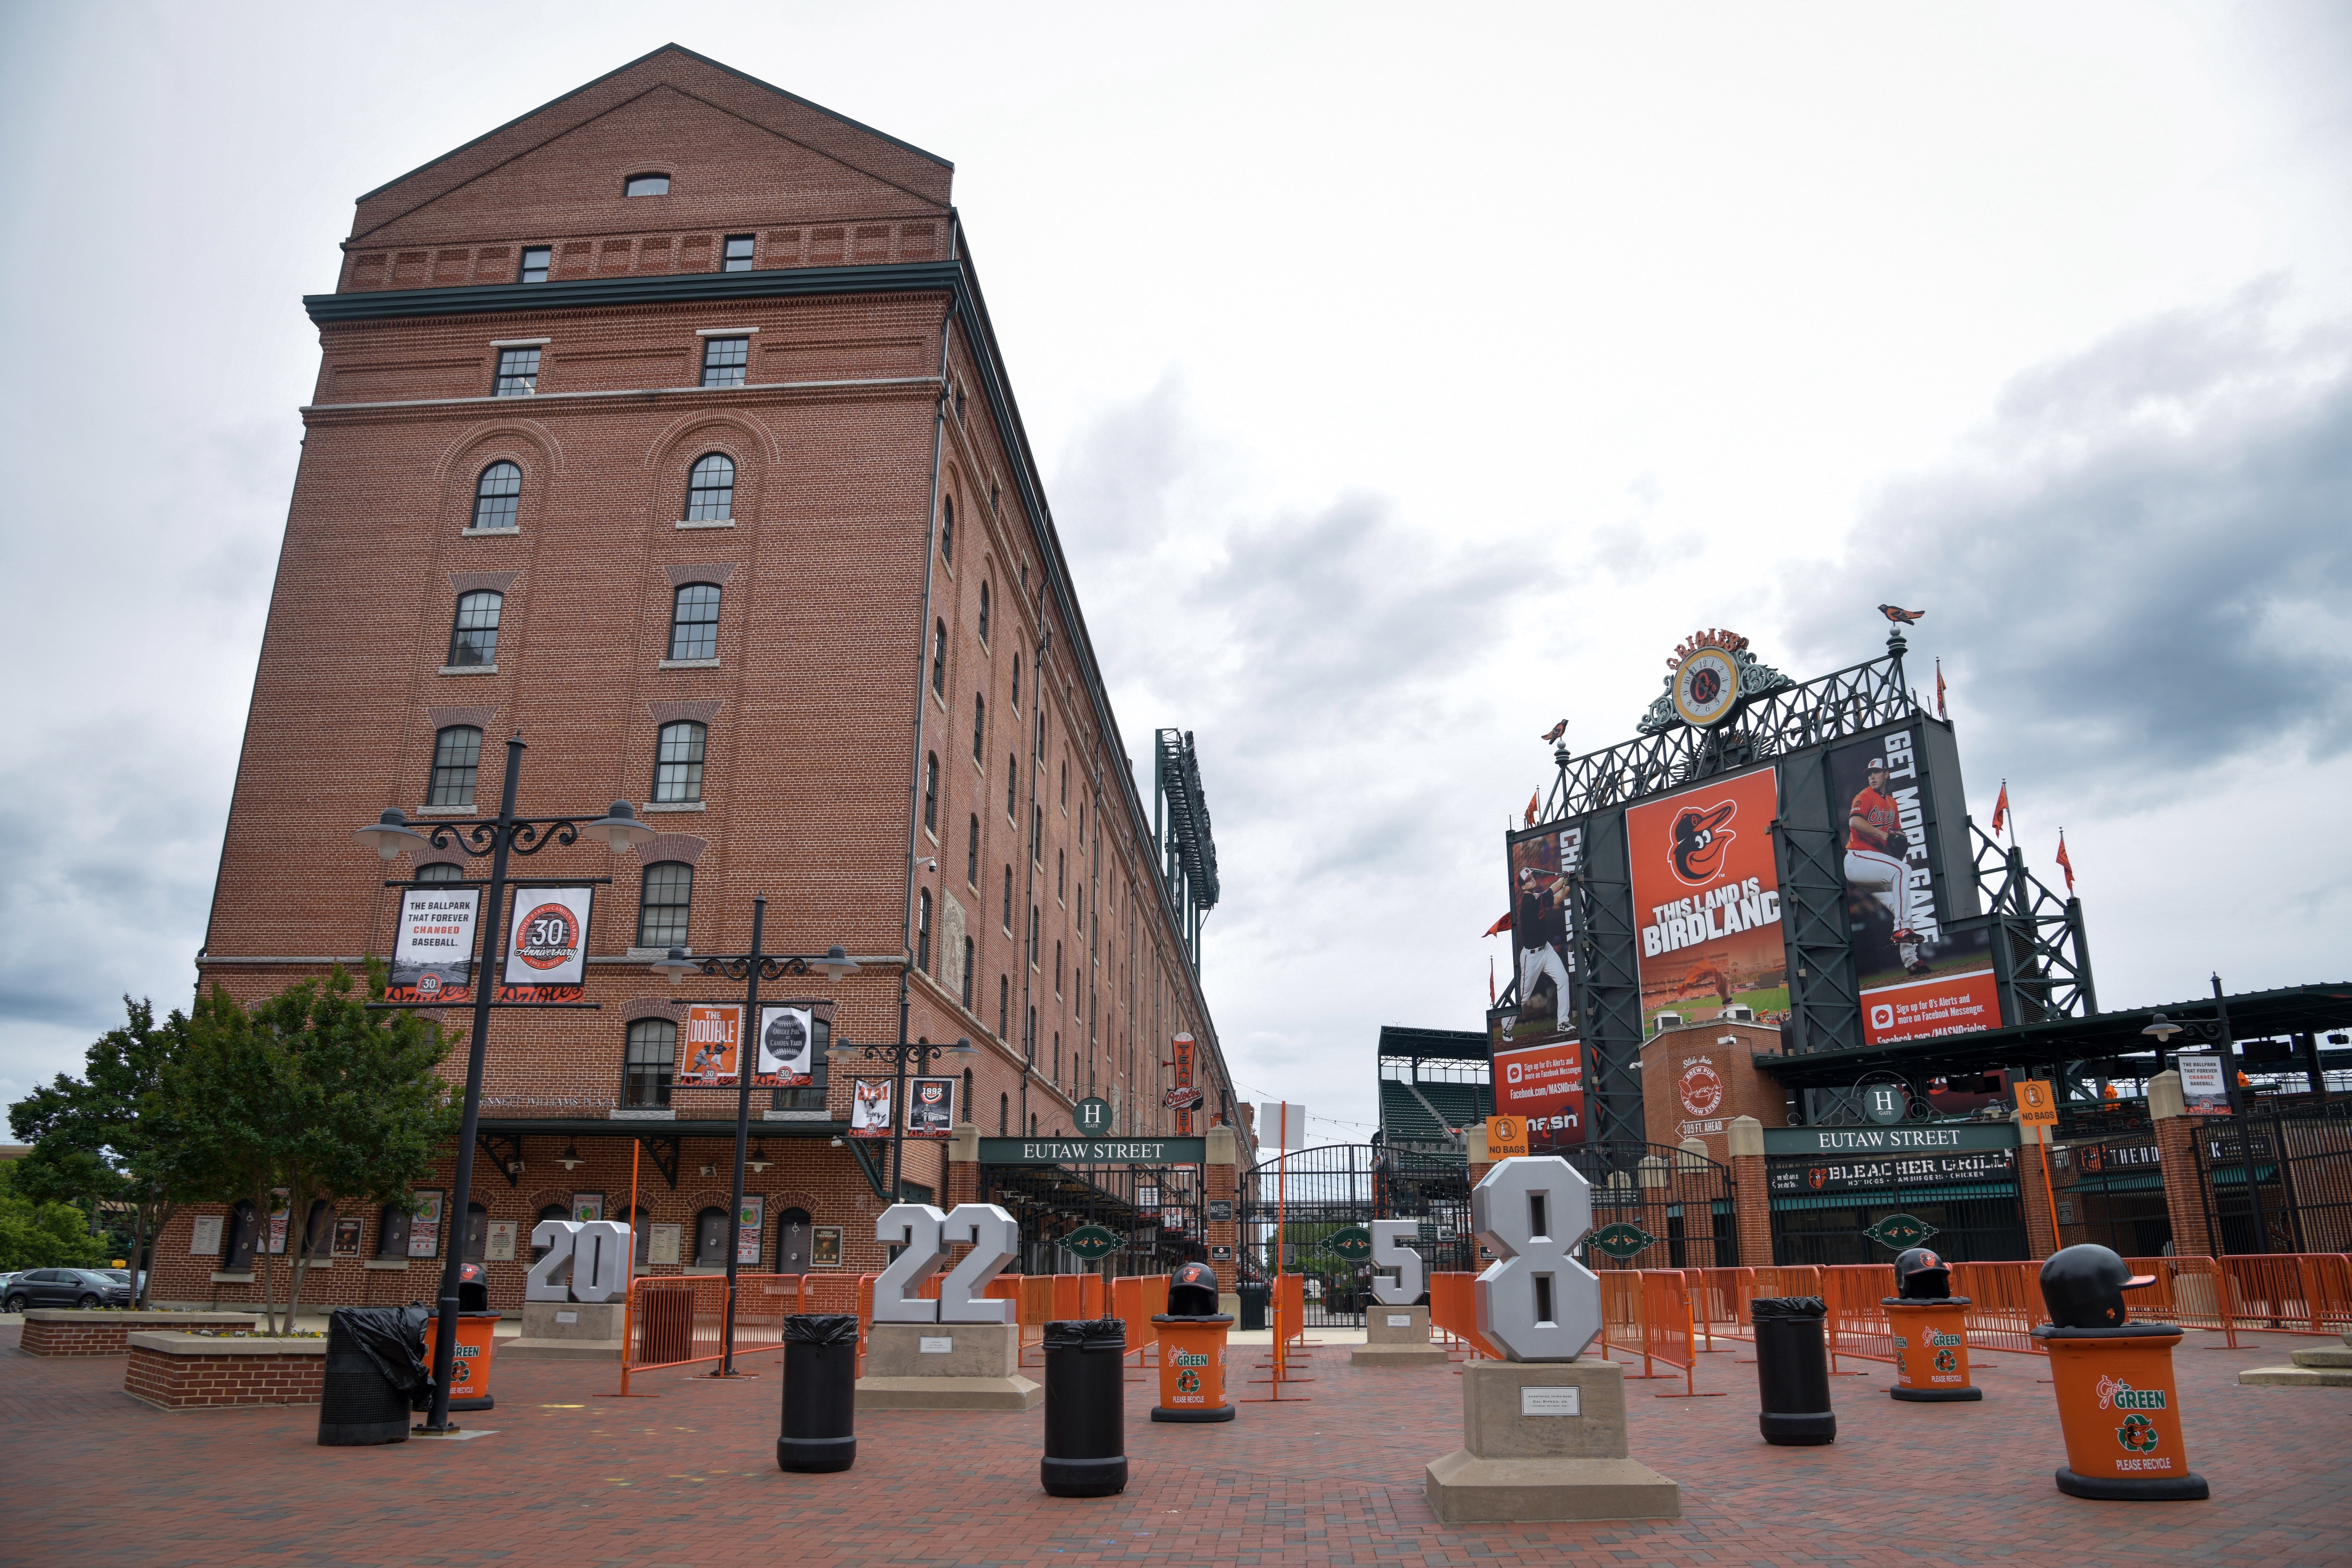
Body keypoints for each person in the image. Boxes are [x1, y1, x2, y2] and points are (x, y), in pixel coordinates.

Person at [1845, 757, 1930, 976]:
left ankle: (1912, 962)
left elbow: (1898, 833)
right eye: (1870, 773)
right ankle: (1902, 928)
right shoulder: (1864, 796)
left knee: (1900, 906)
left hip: (1874, 865)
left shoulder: (1892, 803)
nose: (1872, 776)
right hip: (1858, 859)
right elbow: (1854, 822)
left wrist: (1899, 839)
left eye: (1876, 772)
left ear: (1887, 774)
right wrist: (1884, 834)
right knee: (1904, 871)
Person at [1515, 866, 1574, 1031]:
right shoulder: (1529, 902)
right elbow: (1551, 891)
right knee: (1523, 996)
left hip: (1546, 950)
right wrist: (1564, 879)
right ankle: (1506, 1023)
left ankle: (1562, 1022)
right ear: (1523, 887)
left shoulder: (1535, 897)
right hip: (1530, 957)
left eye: (1532, 877)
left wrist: (1570, 883)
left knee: (1563, 979)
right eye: (1528, 880)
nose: (1532, 879)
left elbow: (1557, 898)